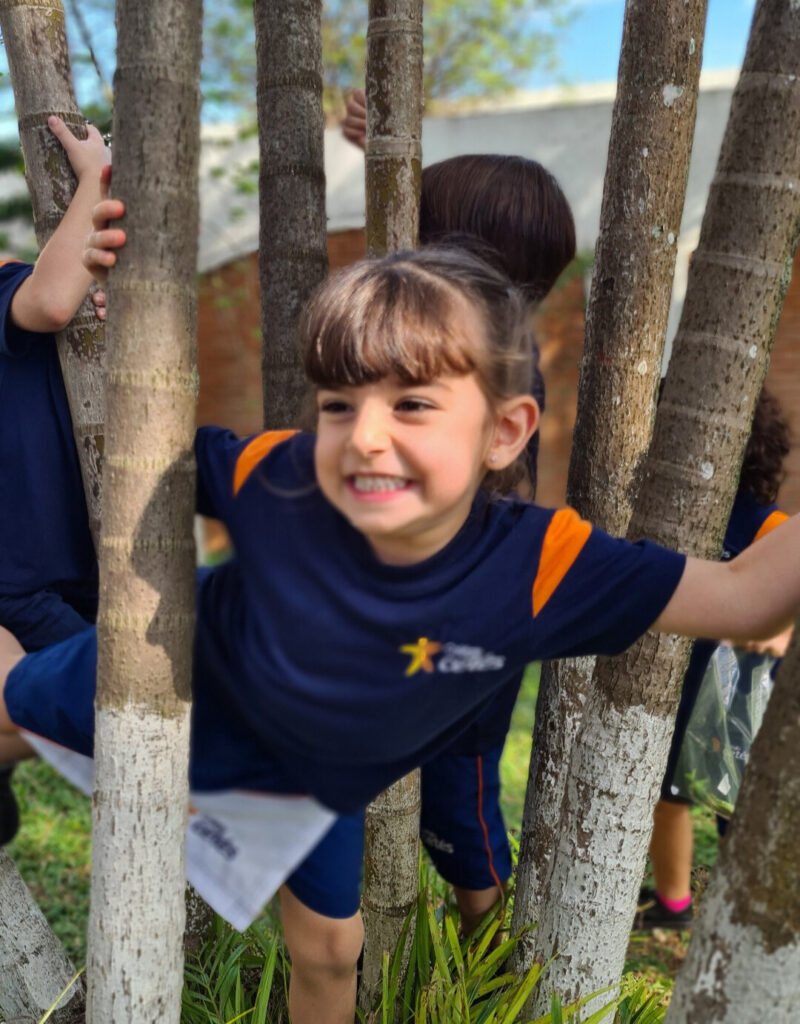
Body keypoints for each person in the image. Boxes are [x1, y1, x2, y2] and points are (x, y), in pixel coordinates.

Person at [4, 243, 800, 1024]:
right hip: (177, 680)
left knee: (329, 952)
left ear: (506, 431)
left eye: (412, 403)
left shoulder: (541, 564)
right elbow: (144, 459)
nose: (365, 436)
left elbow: (744, 599)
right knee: (13, 703)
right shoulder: (278, 472)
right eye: (339, 404)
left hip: (309, 781)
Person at [344, 86, 578, 933]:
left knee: (464, 791)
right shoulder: (475, 339)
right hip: (428, 608)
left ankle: (484, 946)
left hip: (467, 619)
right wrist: (393, 147)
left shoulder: (491, 362)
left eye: (425, 231)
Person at [637, 386, 792, 931]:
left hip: (742, 688)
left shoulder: (764, 522)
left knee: (740, 810)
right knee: (667, 793)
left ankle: (747, 914)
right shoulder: (664, 514)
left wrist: (781, 631)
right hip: (679, 678)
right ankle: (674, 904)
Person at [0, 116, 108, 845]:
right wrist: (93, 169)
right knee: (119, 713)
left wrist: (81, 270)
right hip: (29, 580)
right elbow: (52, 301)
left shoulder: (14, 284)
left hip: (73, 562)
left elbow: (61, 296)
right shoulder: (14, 291)